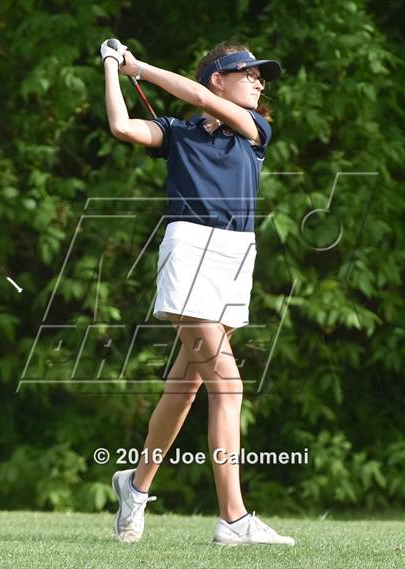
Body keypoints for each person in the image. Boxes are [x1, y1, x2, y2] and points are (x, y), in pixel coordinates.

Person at [101, 38, 295, 547]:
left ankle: (135, 486)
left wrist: (139, 66)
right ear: (218, 77)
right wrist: (110, 67)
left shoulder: (255, 132)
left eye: (260, 75)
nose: (258, 80)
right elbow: (122, 126)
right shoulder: (177, 134)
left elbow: (206, 104)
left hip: (237, 257)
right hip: (190, 250)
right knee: (226, 384)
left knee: (185, 387)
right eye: (247, 72)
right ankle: (233, 519)